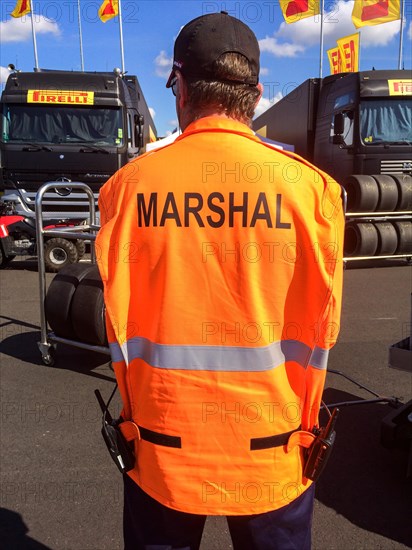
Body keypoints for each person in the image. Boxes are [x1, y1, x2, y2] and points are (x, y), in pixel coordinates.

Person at [96, 11, 344, 550]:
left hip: (162, 454)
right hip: (272, 452)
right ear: (254, 94)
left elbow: (114, 318)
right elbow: (324, 330)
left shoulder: (127, 189)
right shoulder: (313, 192)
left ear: (180, 86)